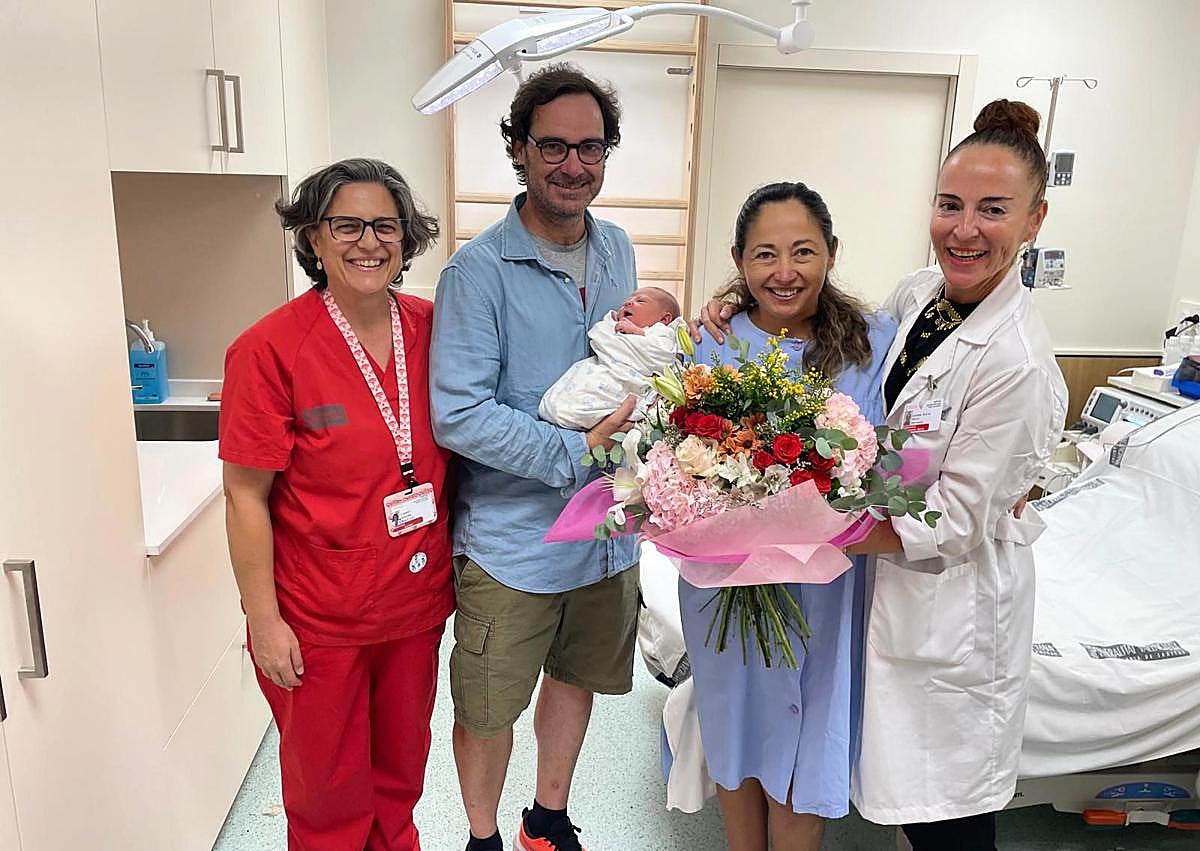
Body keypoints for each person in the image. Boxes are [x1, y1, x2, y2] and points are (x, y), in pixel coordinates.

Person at [698, 100, 1068, 851]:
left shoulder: (1017, 362)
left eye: (993, 210)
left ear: (1034, 220)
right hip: (878, 591)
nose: (964, 229)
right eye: (950, 205)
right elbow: (836, 335)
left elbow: (953, 524)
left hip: (949, 613)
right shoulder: (917, 299)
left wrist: (788, 526)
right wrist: (731, 300)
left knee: (950, 825)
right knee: (907, 808)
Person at [428, 64, 640, 851]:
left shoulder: (616, 247)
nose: (573, 164)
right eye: (552, 145)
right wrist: (573, 451)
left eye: (591, 146)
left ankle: (546, 819)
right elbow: (459, 413)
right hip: (514, 545)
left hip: (606, 536)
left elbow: (629, 363)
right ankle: (482, 836)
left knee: (578, 676)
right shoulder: (477, 272)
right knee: (487, 707)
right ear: (518, 149)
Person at [219, 158, 452, 851]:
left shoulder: (436, 328)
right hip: (318, 614)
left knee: (400, 775)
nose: (368, 242)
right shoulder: (269, 349)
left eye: (385, 225)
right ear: (314, 240)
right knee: (327, 791)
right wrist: (263, 619)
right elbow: (243, 493)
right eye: (346, 225)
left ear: (407, 239)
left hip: (414, 601)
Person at [681, 182, 896, 851]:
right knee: (735, 722)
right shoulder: (709, 345)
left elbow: (889, 457)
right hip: (725, 585)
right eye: (765, 253)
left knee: (810, 734)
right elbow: (681, 457)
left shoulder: (874, 344)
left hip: (829, 586)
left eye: (803, 251)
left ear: (831, 253)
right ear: (739, 260)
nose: (784, 271)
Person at [539, 286, 685, 430]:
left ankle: (586, 414)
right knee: (582, 384)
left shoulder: (661, 332)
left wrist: (638, 333)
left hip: (630, 376)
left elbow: (662, 354)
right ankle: (566, 408)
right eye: (627, 301)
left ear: (664, 318)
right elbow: (601, 336)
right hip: (606, 366)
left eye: (640, 301)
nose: (628, 303)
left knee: (609, 392)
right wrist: (611, 326)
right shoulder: (614, 326)